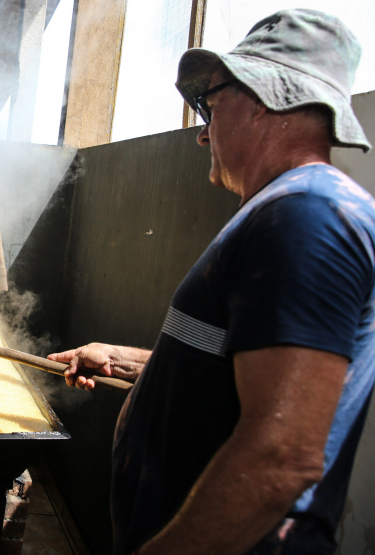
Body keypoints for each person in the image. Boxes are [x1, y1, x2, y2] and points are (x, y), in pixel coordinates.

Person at [47, 9, 374, 555]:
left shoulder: (306, 214)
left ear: (267, 97)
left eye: (211, 104)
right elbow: (245, 375)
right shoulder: (284, 211)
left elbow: (282, 453)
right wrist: (127, 361)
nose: (203, 132)